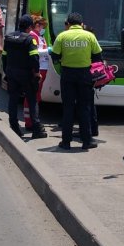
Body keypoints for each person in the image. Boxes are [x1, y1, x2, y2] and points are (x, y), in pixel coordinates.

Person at [50, 12, 102, 150]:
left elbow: (54, 56)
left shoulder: (62, 36)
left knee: (68, 108)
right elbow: (98, 57)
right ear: (81, 24)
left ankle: (66, 142)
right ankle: (86, 142)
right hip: (85, 75)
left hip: (67, 75)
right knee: (84, 108)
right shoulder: (89, 36)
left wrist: (62, 62)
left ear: (69, 23)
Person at [2, 15, 48, 139]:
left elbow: (4, 56)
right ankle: (36, 128)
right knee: (32, 100)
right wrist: (37, 73)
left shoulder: (9, 37)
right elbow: (34, 57)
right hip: (26, 75)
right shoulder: (29, 39)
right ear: (29, 27)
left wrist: (6, 71)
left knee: (13, 99)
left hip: (11, 73)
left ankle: (14, 125)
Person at [23, 15, 48, 131]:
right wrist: (48, 51)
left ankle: (33, 120)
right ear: (37, 25)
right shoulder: (33, 36)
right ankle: (30, 122)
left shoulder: (39, 36)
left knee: (36, 96)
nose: (44, 28)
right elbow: (34, 52)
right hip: (37, 69)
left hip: (42, 67)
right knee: (32, 96)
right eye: (43, 26)